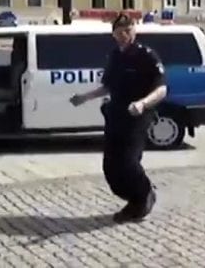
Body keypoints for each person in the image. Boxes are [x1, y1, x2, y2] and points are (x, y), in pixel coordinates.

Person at [69, 13, 167, 223]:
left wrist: (142, 103)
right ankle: (135, 199)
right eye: (119, 32)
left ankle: (144, 196)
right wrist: (84, 97)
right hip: (116, 114)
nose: (124, 35)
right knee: (111, 167)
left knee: (128, 162)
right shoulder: (115, 56)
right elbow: (108, 86)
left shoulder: (146, 56)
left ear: (134, 30)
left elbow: (162, 89)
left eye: (127, 30)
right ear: (113, 34)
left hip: (138, 116)